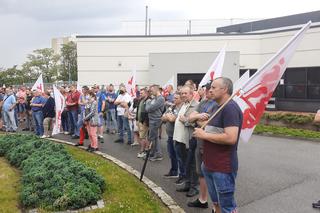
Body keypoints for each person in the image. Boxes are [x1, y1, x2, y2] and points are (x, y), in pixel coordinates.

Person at [193, 77, 243, 213]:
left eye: (214, 87)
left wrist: (204, 135)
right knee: (216, 203)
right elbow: (206, 124)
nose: (210, 90)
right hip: (209, 164)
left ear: (225, 89)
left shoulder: (230, 108)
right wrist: (196, 122)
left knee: (227, 206)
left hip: (223, 167)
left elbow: (231, 137)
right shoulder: (215, 106)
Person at [187, 82, 217, 209]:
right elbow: (190, 117)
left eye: (210, 89)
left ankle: (216, 205)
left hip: (209, 142)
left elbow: (209, 122)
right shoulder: (203, 102)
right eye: (207, 89)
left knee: (211, 173)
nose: (207, 92)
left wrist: (196, 120)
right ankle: (203, 199)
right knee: (200, 171)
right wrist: (198, 117)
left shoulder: (217, 105)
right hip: (199, 141)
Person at [175, 85, 199, 197]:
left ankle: (194, 187)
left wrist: (185, 120)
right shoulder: (183, 105)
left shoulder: (196, 106)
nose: (183, 95)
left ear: (191, 93)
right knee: (185, 164)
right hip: (179, 139)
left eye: (185, 93)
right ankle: (187, 184)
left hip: (188, 140)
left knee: (192, 165)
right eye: (181, 93)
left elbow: (196, 123)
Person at [162, 92, 183, 178]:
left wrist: (168, 116)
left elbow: (172, 119)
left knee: (179, 156)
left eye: (176, 98)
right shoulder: (172, 107)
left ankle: (181, 174)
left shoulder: (182, 108)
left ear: (181, 99)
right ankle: (173, 170)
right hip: (170, 135)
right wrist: (167, 116)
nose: (174, 100)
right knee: (171, 154)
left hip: (177, 136)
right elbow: (162, 117)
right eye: (174, 98)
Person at [145, 84, 165, 161]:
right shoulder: (154, 99)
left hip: (156, 120)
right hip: (152, 120)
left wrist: (148, 102)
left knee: (154, 138)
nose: (151, 92)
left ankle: (158, 154)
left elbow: (149, 109)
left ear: (156, 90)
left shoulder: (160, 99)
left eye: (152, 90)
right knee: (154, 138)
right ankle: (154, 153)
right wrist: (149, 103)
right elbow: (148, 108)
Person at [135, 88, 150, 158]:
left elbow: (147, 112)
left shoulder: (148, 101)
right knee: (143, 137)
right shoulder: (141, 100)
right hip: (140, 121)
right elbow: (139, 110)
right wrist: (137, 120)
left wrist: (144, 122)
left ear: (146, 93)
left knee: (142, 137)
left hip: (144, 122)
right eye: (140, 93)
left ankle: (142, 151)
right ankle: (146, 150)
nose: (140, 94)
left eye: (142, 93)